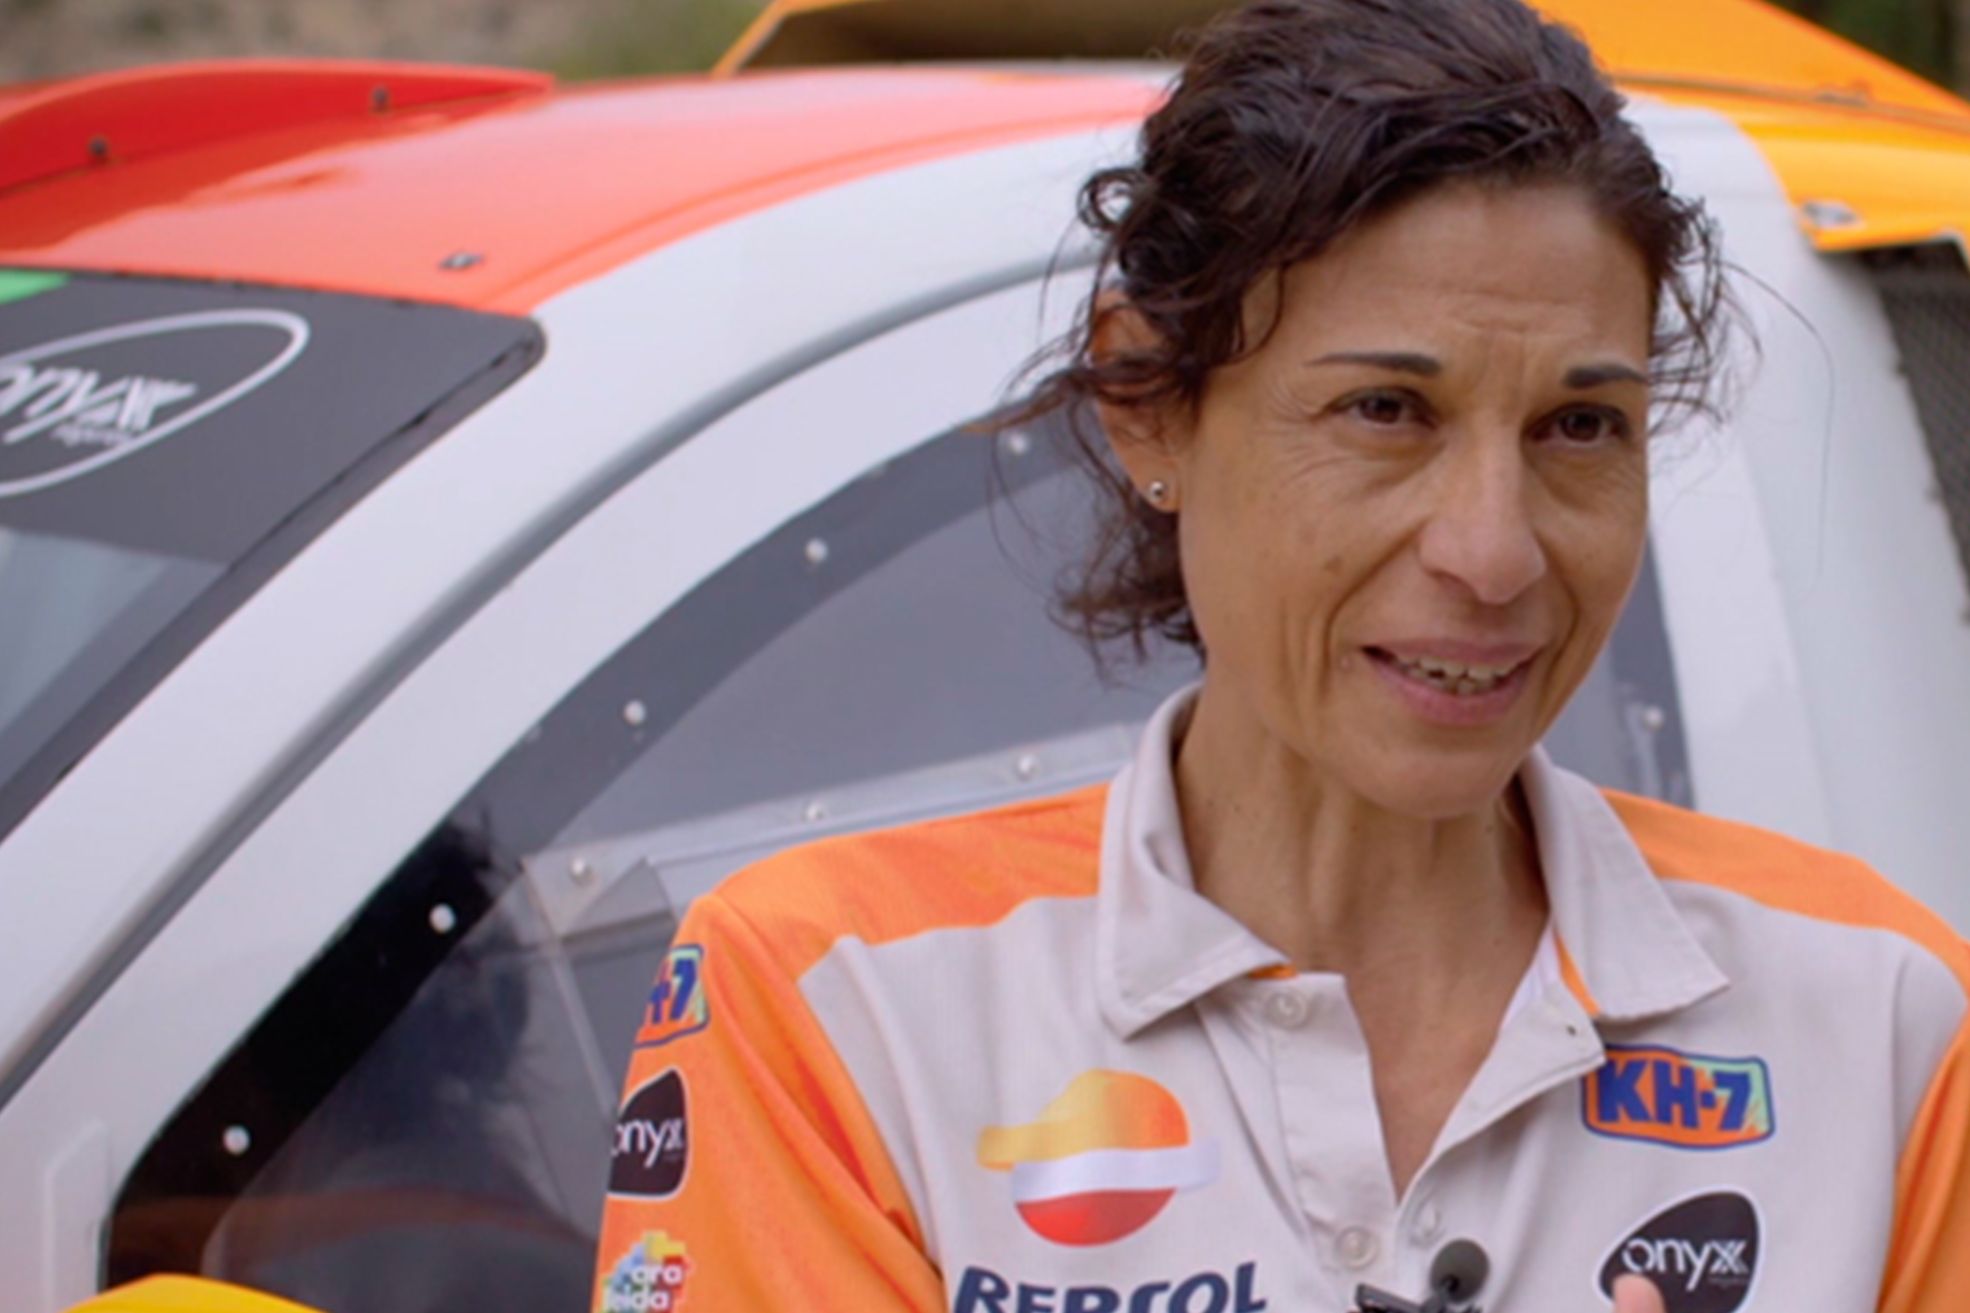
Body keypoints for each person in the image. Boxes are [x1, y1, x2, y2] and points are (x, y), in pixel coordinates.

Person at [592, 1, 1970, 1309]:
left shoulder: (1878, 1014)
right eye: (1385, 409)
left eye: (1577, 428)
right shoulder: (842, 1007)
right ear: (1146, 399)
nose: (1493, 554)